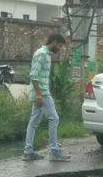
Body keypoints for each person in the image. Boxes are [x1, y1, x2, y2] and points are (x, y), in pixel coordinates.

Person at [23, 33, 70, 162]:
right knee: (54, 118)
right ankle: (54, 152)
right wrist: (39, 95)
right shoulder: (42, 54)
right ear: (54, 42)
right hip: (42, 93)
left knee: (33, 122)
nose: (60, 48)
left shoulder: (46, 54)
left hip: (40, 92)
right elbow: (33, 75)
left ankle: (28, 151)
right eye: (59, 46)